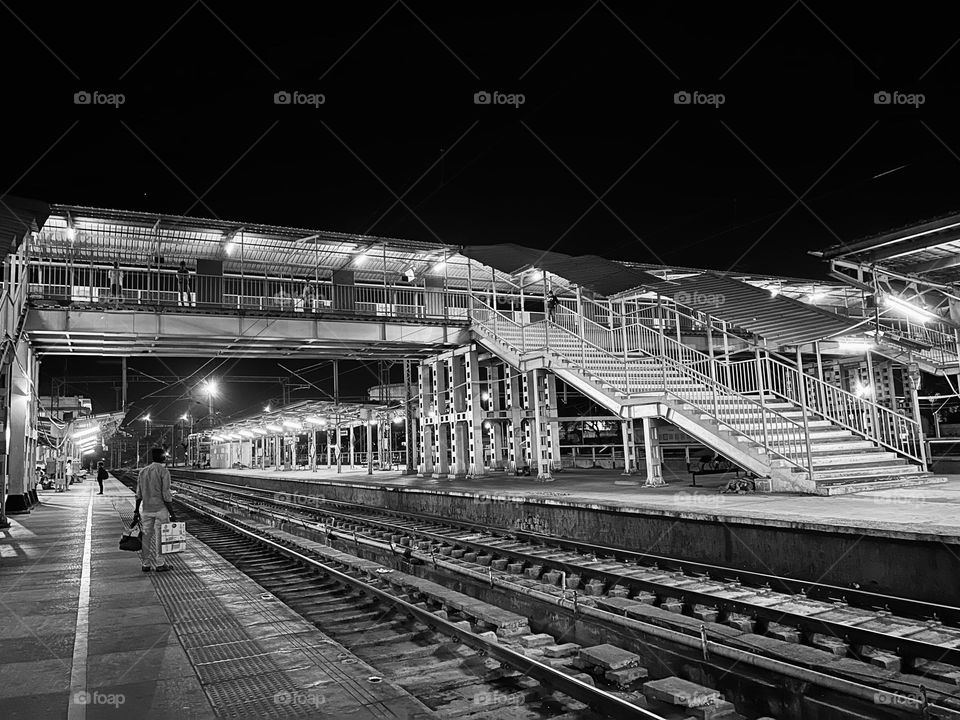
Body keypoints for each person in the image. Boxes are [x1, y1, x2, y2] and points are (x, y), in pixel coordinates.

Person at [133, 448, 177, 572]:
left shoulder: (143, 471)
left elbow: (138, 493)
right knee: (161, 536)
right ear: (163, 458)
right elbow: (166, 494)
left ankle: (145, 564)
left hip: (146, 509)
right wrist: (172, 513)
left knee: (146, 536)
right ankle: (160, 563)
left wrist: (136, 510)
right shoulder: (164, 471)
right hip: (160, 509)